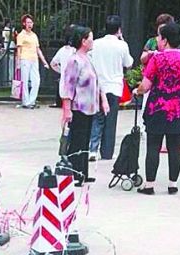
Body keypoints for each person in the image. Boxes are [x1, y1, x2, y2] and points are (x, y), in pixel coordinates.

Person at [134, 23, 180, 195]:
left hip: (157, 109)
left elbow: (146, 85)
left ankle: (149, 185)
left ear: (165, 40)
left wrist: (137, 90)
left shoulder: (157, 59)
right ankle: (172, 184)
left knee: (153, 146)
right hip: (178, 110)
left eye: (159, 38)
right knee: (175, 147)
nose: (158, 40)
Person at [61, 25, 109, 186]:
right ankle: (75, 173)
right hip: (78, 106)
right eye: (90, 38)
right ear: (83, 41)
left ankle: (83, 171)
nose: (92, 41)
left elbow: (98, 81)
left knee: (85, 140)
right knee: (77, 140)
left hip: (90, 107)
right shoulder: (74, 61)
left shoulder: (88, 59)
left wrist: (103, 100)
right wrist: (67, 109)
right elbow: (68, 87)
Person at [88, 15, 133, 161]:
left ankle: (92, 149)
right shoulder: (122, 45)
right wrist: (123, 40)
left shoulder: (96, 43)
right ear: (119, 29)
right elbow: (128, 63)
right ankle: (107, 152)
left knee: (97, 118)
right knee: (110, 121)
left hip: (98, 86)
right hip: (114, 86)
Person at [16, 14, 49, 109]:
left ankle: (31, 101)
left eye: (31, 22)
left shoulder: (34, 35)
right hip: (25, 59)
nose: (30, 24)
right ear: (24, 24)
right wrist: (18, 62)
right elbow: (19, 49)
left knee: (36, 81)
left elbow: (38, 49)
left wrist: (44, 61)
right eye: (28, 22)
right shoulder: (21, 35)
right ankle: (26, 102)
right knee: (25, 81)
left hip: (34, 59)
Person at [49, 25, 76, 108]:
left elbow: (53, 64)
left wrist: (61, 71)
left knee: (66, 108)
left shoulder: (62, 50)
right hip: (75, 82)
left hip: (64, 83)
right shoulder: (76, 51)